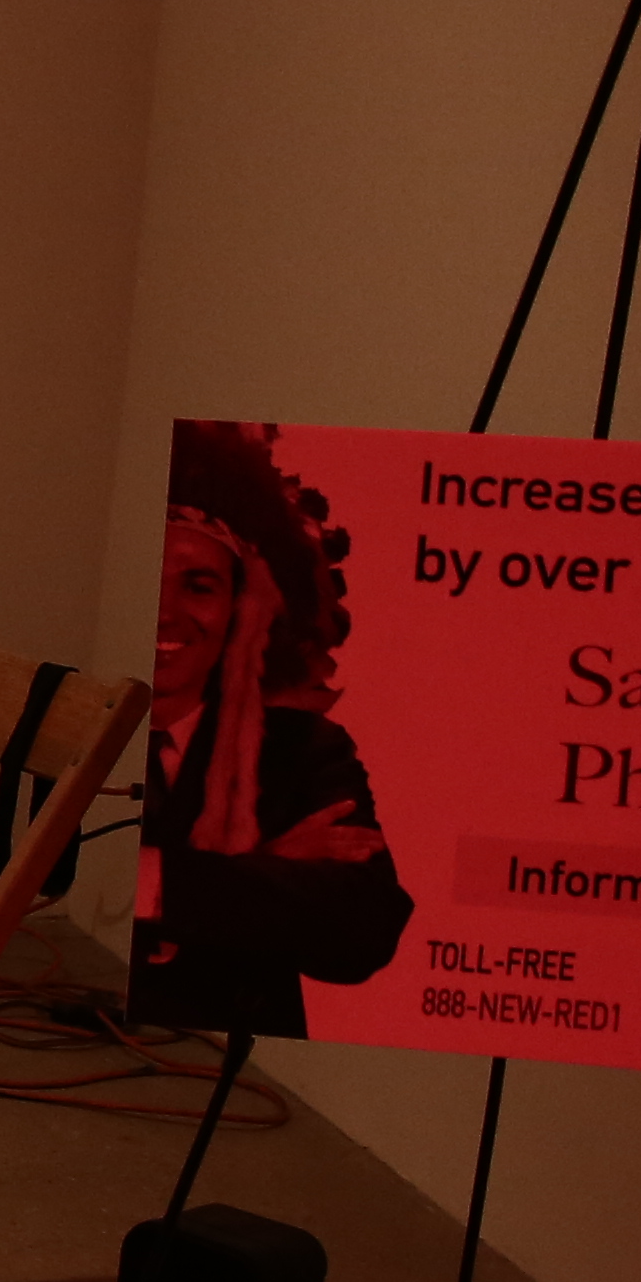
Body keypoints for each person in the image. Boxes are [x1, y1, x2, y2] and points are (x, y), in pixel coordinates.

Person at [133, 420, 415, 1035]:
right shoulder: (68, 728)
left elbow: (362, 930)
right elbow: (48, 892)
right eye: (147, 580)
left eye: (199, 585)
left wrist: (150, 880)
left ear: (242, 610)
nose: (165, 611)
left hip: (243, 1073)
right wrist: (269, 868)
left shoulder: (302, 751)